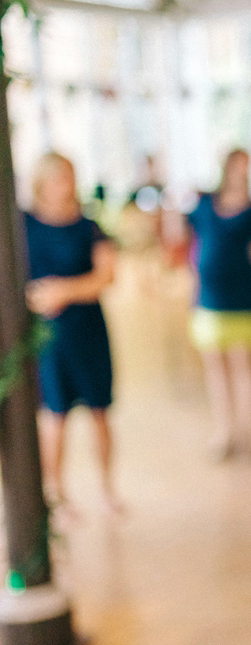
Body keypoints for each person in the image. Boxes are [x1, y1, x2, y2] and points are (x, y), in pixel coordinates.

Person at [23, 152, 120, 515]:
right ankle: (56, 494)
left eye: (68, 176)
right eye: (57, 178)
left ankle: (107, 489)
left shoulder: (88, 225)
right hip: (48, 335)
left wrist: (63, 291)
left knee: (100, 410)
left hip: (87, 329)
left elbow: (106, 276)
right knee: (54, 414)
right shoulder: (25, 224)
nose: (64, 185)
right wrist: (37, 298)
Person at [168, 149, 251, 459]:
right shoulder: (203, 204)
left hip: (242, 296)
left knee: (244, 367)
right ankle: (224, 431)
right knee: (216, 368)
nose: (243, 172)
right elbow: (179, 234)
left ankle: (247, 434)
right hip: (208, 298)